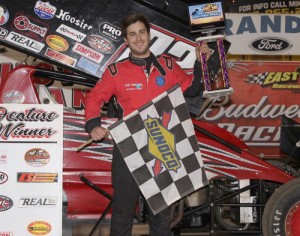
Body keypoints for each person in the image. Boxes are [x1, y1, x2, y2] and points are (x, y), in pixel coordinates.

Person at [84, 13, 211, 236]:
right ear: (126, 40)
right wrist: (93, 125)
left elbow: (191, 89)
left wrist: (201, 63)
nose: (138, 38)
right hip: (128, 149)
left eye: (142, 32)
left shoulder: (168, 65)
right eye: (132, 34)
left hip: (160, 145)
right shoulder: (116, 71)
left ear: (149, 35)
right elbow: (94, 98)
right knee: (123, 214)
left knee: (160, 216)